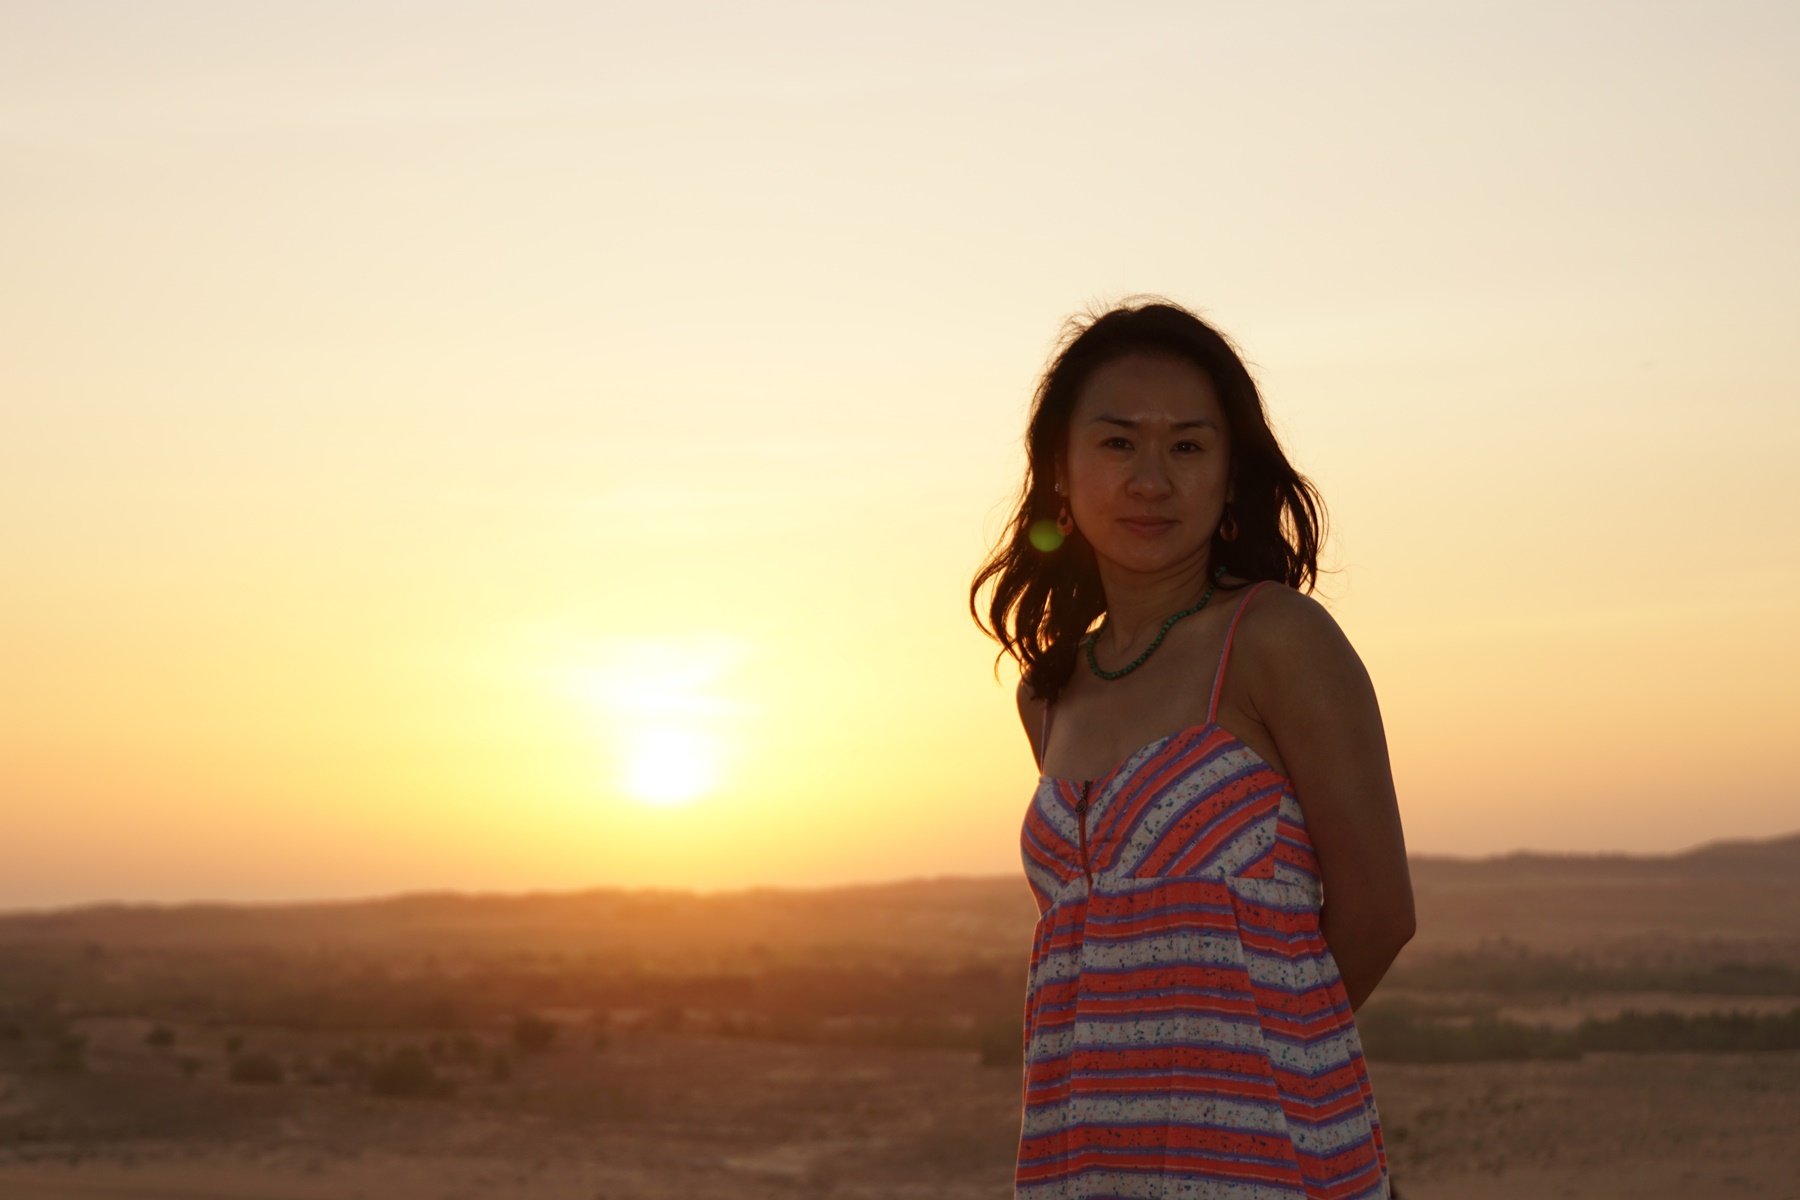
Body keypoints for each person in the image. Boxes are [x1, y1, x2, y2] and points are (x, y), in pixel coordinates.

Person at [970, 300, 1414, 1199]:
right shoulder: (1047, 696)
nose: (1152, 479)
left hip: (1263, 1162)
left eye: (1186, 446)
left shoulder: (1277, 641)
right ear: (1060, 470)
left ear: (1228, 472)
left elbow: (1378, 914)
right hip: (1081, 1162)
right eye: (1118, 443)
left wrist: (1244, 1063)